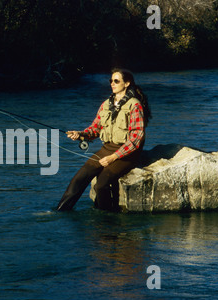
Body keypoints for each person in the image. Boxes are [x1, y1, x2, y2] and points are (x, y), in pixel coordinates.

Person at [57, 68, 151, 212]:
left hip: (127, 155)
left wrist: (113, 157)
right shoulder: (106, 104)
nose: (112, 84)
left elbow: (136, 140)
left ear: (126, 84)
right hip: (106, 149)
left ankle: (106, 220)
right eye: (111, 81)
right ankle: (60, 211)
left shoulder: (135, 105)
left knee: (101, 185)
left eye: (116, 81)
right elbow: (95, 129)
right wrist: (80, 134)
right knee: (79, 178)